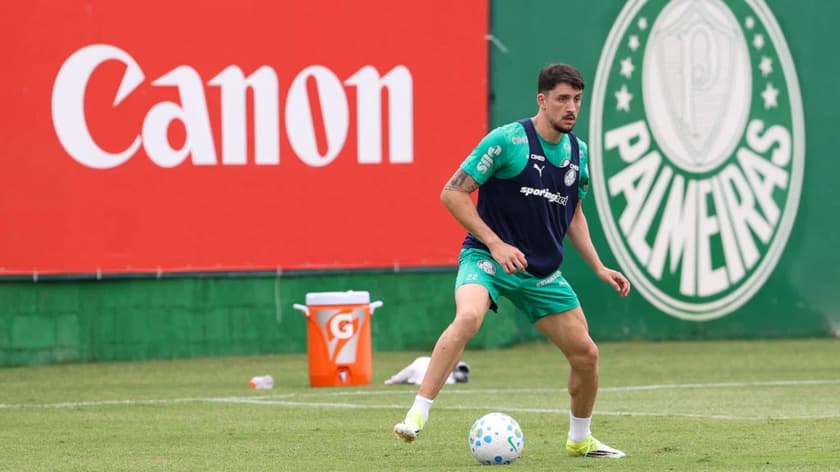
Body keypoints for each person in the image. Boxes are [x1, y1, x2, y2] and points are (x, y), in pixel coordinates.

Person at [392, 63, 631, 458]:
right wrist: (496, 244)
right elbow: (452, 193)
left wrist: (599, 267)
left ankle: (580, 439)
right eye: (562, 99)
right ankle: (416, 415)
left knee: (586, 355)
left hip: (540, 272)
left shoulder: (577, 152)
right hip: (487, 258)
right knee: (469, 317)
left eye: (576, 100)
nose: (571, 108)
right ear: (542, 100)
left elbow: (573, 213)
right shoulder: (507, 141)